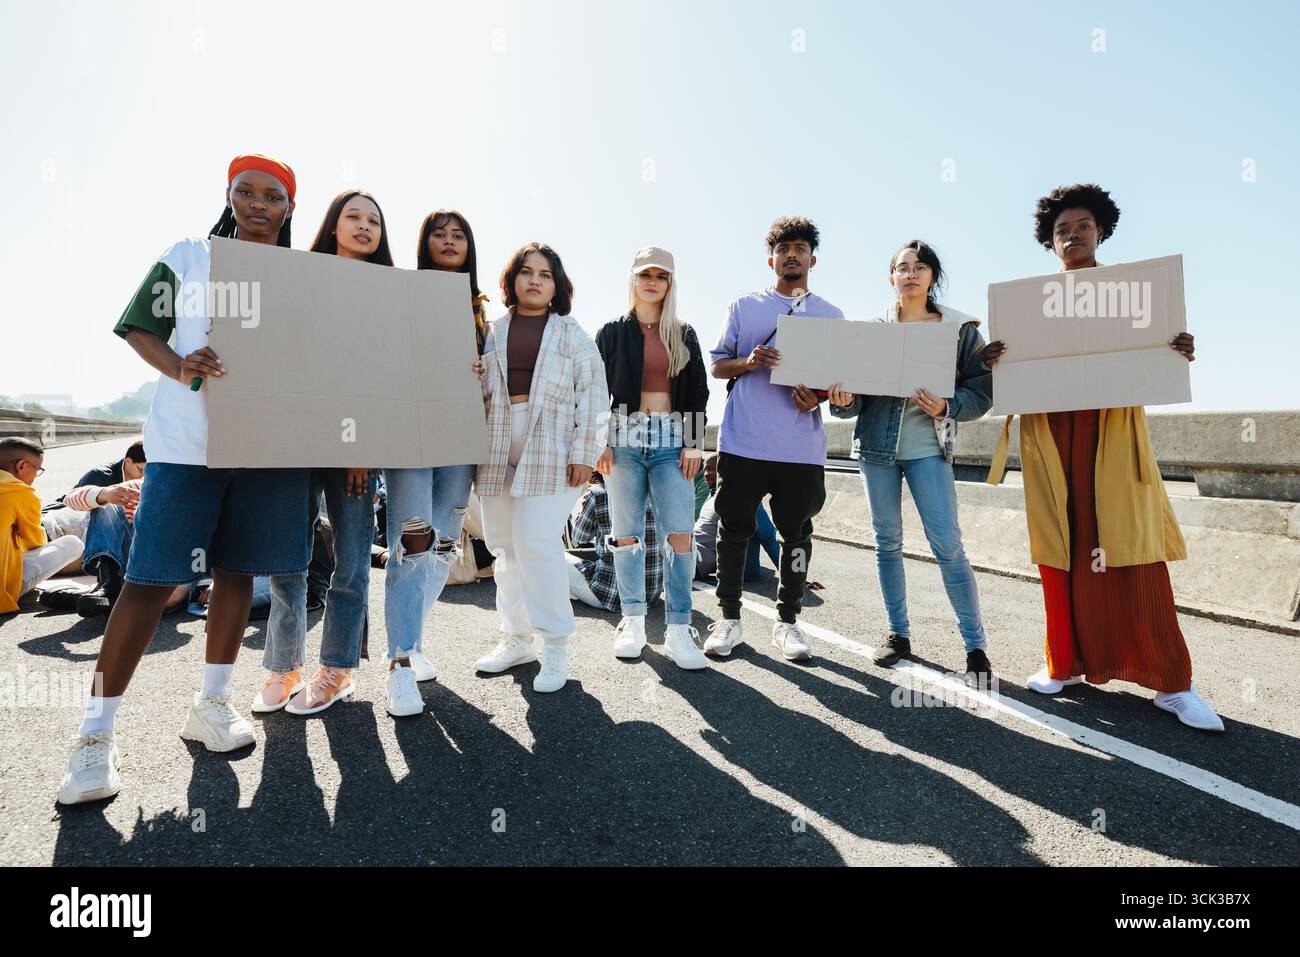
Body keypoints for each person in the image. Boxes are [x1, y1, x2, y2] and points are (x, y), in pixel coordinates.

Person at [56, 154, 315, 805]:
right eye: (244, 192)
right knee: (149, 581)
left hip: (264, 451)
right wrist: (181, 366)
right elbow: (140, 324)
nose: (258, 203)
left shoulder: (303, 279)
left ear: (289, 208)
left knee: (235, 571)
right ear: (229, 198)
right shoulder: (190, 255)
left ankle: (211, 702)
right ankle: (94, 739)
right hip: (185, 446)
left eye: (272, 196)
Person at [982, 183, 1222, 731]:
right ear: (1050, 241)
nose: (1072, 235)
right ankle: (1061, 663)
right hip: (1052, 432)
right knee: (1061, 546)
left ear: (1102, 232)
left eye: (1083, 226)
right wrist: (998, 358)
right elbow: (1011, 374)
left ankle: (1172, 683)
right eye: (1062, 229)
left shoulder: (1132, 295)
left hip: (1110, 431)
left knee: (1131, 550)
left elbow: (1154, 356)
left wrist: (1173, 347)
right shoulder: (1030, 305)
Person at [828, 240, 995, 687]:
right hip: (876, 452)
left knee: (948, 545)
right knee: (887, 542)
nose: (911, 274)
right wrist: (841, 400)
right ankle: (898, 634)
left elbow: (983, 390)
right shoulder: (871, 331)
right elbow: (850, 402)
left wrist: (948, 406)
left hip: (929, 451)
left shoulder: (959, 330)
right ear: (891, 278)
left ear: (932, 277)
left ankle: (975, 648)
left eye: (920, 267)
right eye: (902, 268)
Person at [256, 190, 392, 717]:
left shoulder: (387, 292)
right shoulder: (300, 280)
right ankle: (283, 667)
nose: (363, 226)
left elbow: (386, 376)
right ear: (332, 224)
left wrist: (367, 446)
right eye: (353, 216)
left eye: (374, 221)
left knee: (352, 559)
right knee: (289, 554)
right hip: (297, 435)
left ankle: (337, 669)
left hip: (357, 443)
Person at [704, 216, 844, 661]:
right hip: (744, 441)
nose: (792, 255)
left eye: (800, 248)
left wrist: (816, 398)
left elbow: (840, 384)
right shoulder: (745, 306)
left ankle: (789, 623)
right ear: (772, 259)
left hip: (800, 448)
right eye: (784, 249)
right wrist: (747, 362)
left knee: (797, 535)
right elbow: (718, 365)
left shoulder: (831, 316)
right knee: (733, 530)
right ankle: (728, 619)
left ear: (812, 259)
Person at [474, 243, 608, 693]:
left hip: (552, 446)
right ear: (512, 279)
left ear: (557, 285)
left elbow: (593, 395)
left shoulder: (571, 333)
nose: (535, 280)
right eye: (527, 272)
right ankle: (517, 638)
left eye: (545, 274)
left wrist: (584, 453)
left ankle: (556, 644)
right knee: (505, 548)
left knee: (536, 540)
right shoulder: (492, 330)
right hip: (496, 443)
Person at [377, 209, 488, 717]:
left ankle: (412, 639)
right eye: (438, 234)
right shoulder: (401, 294)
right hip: (410, 434)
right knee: (411, 543)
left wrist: (484, 370)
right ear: (424, 243)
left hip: (460, 438)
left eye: (458, 235)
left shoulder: (480, 309)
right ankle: (398, 663)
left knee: (444, 544)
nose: (448, 241)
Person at [594, 245, 710, 669]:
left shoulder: (684, 333)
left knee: (679, 533)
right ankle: (634, 621)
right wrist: (598, 441)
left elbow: (698, 389)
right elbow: (593, 392)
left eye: (661, 276)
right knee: (626, 534)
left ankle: (679, 628)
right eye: (645, 274)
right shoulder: (611, 333)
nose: (652, 281)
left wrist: (693, 441)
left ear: (669, 283)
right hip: (622, 437)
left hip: (672, 439)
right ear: (633, 279)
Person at [40, 439, 156, 617]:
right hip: (79, 531)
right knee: (105, 506)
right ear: (128, 462)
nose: (144, 476)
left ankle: (107, 594)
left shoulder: (159, 486)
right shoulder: (108, 477)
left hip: (143, 561)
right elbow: (70, 500)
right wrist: (104, 494)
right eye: (142, 471)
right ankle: (108, 586)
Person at [1, 437, 84, 613]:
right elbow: (35, 543)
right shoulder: (20, 492)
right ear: (21, 466)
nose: (35, 476)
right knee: (72, 543)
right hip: (3, 594)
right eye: (37, 469)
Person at [566, 472, 663, 614]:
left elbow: (579, 538)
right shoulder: (653, 491)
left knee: (554, 556)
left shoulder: (598, 493)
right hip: (651, 596)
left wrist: (581, 500)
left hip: (610, 595)